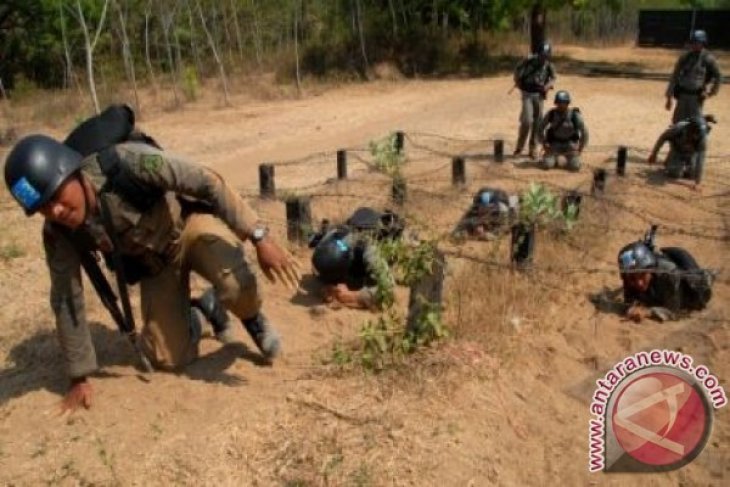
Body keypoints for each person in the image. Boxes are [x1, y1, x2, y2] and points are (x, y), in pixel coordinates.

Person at [4, 130, 300, 413]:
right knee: (168, 358)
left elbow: (207, 180)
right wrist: (78, 376)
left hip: (189, 229)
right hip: (156, 265)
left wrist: (259, 236)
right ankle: (202, 311)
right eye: (44, 207)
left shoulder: (126, 163)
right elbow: (67, 297)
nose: (55, 211)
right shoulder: (60, 232)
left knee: (236, 285)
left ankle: (251, 317)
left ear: (73, 172)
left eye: (56, 196)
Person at [617, 227, 713, 323]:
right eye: (633, 278)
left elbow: (674, 312)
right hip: (658, 293)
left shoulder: (667, 275)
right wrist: (633, 307)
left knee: (700, 292)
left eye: (642, 275)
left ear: (650, 269)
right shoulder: (628, 277)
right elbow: (630, 301)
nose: (639, 283)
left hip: (686, 294)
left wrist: (648, 312)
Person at [309, 207, 399, 310]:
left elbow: (388, 290)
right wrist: (328, 286)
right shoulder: (328, 239)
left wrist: (354, 296)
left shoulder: (369, 251)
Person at [665, 29, 722, 124]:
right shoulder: (685, 58)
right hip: (682, 96)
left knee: (696, 125)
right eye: (693, 42)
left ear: (703, 43)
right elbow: (674, 76)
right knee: (677, 124)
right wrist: (669, 97)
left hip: (696, 98)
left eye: (697, 42)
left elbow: (719, 76)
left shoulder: (708, 59)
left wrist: (711, 93)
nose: (694, 45)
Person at [512, 41, 557, 159]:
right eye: (543, 54)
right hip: (527, 93)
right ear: (538, 53)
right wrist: (518, 81)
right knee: (526, 121)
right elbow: (517, 70)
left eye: (547, 55)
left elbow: (553, 78)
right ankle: (519, 147)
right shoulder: (529, 60)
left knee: (537, 122)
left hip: (539, 95)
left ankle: (533, 148)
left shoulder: (548, 65)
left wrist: (547, 86)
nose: (544, 57)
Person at [648, 114, 715, 188]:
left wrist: (697, 182)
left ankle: (684, 165)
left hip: (690, 153)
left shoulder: (702, 139)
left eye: (697, 135)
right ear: (690, 130)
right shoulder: (678, 128)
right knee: (675, 174)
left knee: (692, 175)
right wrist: (654, 154)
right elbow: (663, 137)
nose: (695, 137)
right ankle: (670, 162)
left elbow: (700, 160)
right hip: (677, 150)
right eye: (694, 134)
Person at [537, 90, 589, 172]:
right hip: (555, 143)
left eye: (563, 102)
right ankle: (553, 158)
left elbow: (584, 132)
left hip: (570, 144)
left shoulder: (575, 115)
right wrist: (544, 144)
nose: (560, 105)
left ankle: (569, 159)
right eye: (558, 102)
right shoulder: (551, 114)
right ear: (556, 103)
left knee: (575, 167)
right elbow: (540, 128)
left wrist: (580, 149)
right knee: (547, 165)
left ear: (567, 103)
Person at [452, 187, 518, 240]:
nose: (483, 210)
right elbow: (458, 230)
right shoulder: (474, 208)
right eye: (481, 208)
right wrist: (471, 228)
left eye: (487, 208)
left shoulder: (502, 210)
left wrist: (486, 234)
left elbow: (502, 230)